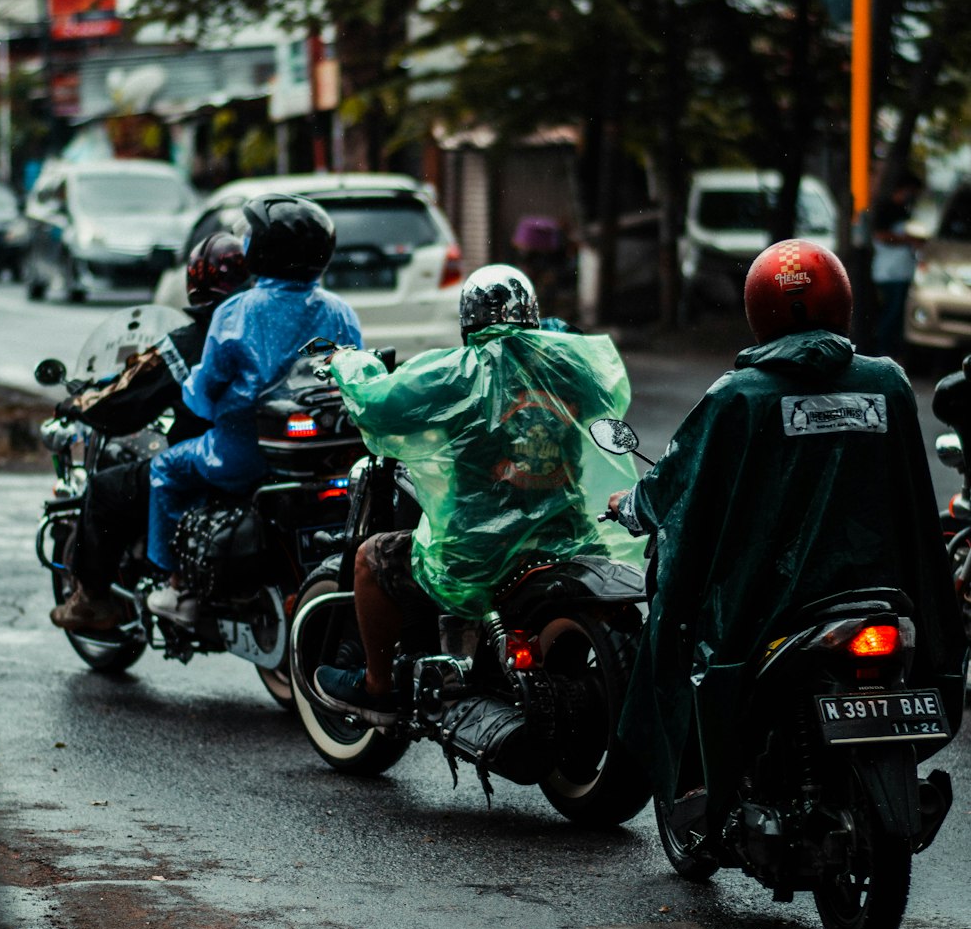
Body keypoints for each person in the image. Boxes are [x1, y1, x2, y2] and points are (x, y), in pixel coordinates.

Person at [608, 238, 966, 825]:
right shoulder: (889, 385)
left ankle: (708, 785)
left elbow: (672, 483)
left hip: (770, 604)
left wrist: (631, 508)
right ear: (842, 301)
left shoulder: (738, 396)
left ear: (758, 310)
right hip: (882, 591)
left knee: (676, 637)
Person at [312, 264, 636, 725]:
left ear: (468, 322)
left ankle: (377, 691)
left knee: (372, 559)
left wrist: (350, 364)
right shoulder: (569, 368)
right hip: (567, 539)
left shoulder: (456, 373)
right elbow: (608, 387)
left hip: (478, 555)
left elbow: (377, 403)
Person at [145, 195, 363, 625]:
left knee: (164, 470)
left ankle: (178, 588)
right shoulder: (341, 311)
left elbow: (204, 394)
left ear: (263, 249)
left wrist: (192, 397)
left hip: (239, 454)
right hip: (324, 456)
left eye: (249, 235)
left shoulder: (235, 312)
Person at [49, 233, 250, 633]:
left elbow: (127, 402)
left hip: (214, 459)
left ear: (195, 281)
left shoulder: (197, 340)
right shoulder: (286, 320)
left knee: (107, 489)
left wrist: (80, 403)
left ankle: (93, 601)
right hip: (270, 458)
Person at [870, 167, 923, 359]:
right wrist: (908, 240)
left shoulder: (904, 211)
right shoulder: (887, 209)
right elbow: (882, 236)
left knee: (897, 315)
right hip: (889, 272)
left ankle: (891, 350)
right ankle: (883, 351)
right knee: (890, 314)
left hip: (902, 271)